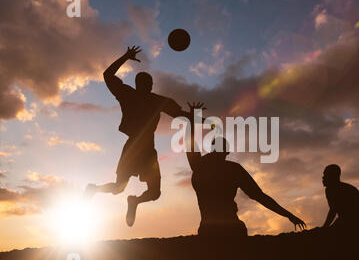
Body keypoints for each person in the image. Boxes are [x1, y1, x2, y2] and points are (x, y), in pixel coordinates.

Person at [84, 46, 191, 227]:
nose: (146, 87)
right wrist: (125, 56)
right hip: (135, 147)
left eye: (148, 84)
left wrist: (199, 118)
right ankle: (94, 189)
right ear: (139, 85)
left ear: (150, 86)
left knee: (153, 193)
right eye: (144, 84)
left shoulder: (153, 100)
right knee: (119, 188)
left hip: (147, 149)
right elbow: (107, 75)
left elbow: (180, 114)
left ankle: (133, 201)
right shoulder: (129, 95)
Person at [185, 102, 306, 237]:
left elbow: (189, 143)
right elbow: (260, 196)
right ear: (226, 152)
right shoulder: (231, 169)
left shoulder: (200, 165)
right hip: (229, 229)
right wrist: (288, 215)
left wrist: (193, 118)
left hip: (211, 229)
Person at [321, 164, 359, 228]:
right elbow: (333, 210)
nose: (323, 177)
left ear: (333, 176)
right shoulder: (329, 190)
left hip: (358, 216)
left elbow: (333, 211)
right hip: (346, 217)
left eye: (326, 175)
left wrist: (324, 227)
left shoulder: (345, 190)